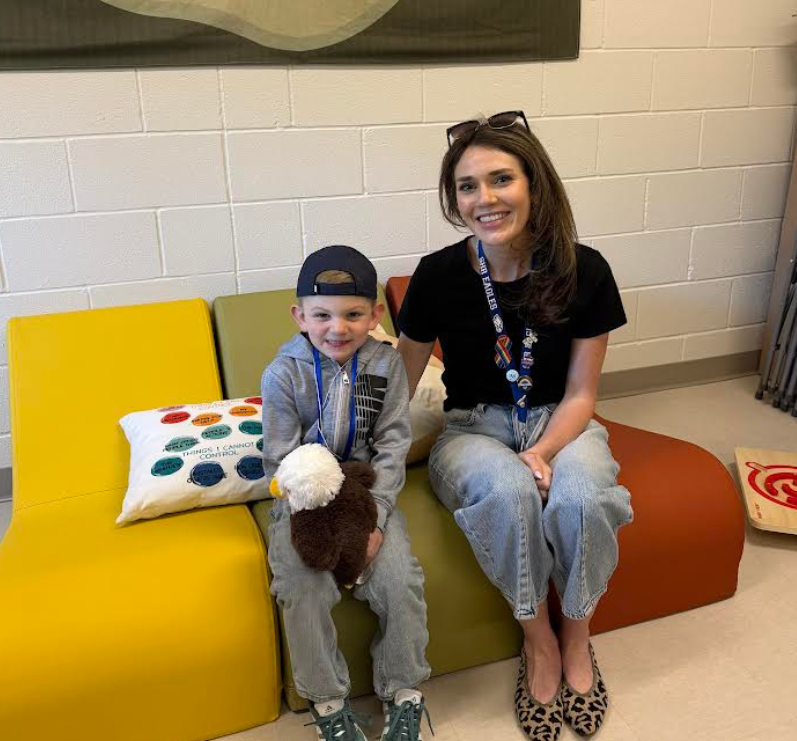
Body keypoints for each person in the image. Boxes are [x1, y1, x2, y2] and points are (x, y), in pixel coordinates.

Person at [397, 111, 633, 740]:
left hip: (563, 420)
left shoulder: (586, 269)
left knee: (583, 496)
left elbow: (583, 393)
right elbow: (399, 381)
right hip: (472, 428)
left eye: (500, 179)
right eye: (467, 186)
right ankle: (539, 642)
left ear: (534, 183)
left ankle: (577, 632)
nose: (485, 199)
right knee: (504, 491)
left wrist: (546, 451)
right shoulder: (438, 275)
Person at [259, 245, 432, 741]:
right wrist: (312, 509)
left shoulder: (387, 366)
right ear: (299, 316)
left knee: (401, 580)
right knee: (300, 583)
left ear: (375, 315)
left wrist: (373, 520)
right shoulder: (283, 374)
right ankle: (328, 700)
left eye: (354, 314)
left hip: (365, 491)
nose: (338, 328)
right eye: (322, 315)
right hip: (303, 496)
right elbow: (279, 459)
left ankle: (405, 691)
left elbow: (394, 443)